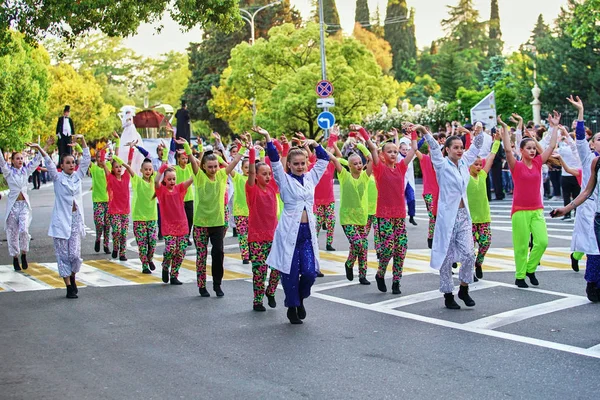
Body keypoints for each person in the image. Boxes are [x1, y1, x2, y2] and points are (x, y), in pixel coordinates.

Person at [258, 126, 329, 324]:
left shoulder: (310, 178)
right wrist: (267, 138)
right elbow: (273, 159)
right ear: (288, 164)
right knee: (289, 272)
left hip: (307, 233)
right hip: (289, 232)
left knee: (309, 272)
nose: (300, 166)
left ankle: (301, 297)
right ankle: (293, 305)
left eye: (302, 163)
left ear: (307, 163)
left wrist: (314, 144)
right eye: (295, 164)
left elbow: (323, 160)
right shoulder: (284, 180)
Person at [421, 126, 484, 309]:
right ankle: (448, 294)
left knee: (469, 254)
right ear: (447, 149)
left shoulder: (465, 162)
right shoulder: (441, 164)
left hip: (464, 216)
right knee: (446, 258)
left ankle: (464, 288)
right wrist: (424, 132)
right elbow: (433, 147)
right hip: (447, 217)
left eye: (461, 147)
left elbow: (477, 146)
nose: (459, 150)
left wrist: (477, 131)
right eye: (455, 147)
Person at [354, 124, 417, 295]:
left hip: (399, 216)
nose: (393, 154)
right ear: (382, 155)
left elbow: (414, 149)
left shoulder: (401, 168)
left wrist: (414, 132)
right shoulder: (379, 169)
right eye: (389, 151)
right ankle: (380, 274)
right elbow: (372, 148)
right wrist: (362, 131)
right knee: (388, 249)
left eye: (395, 152)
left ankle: (396, 281)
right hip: (384, 216)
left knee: (401, 249)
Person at [499, 113, 559, 288]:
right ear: (522, 150)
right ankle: (520, 276)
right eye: (529, 148)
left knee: (542, 241)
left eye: (534, 148)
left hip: (537, 209)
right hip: (519, 211)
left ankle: (530, 269)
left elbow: (551, 146)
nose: (533, 150)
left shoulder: (539, 162)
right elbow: (508, 150)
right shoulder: (516, 166)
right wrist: (504, 129)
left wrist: (554, 126)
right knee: (521, 245)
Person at [188, 137, 245, 297]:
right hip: (200, 223)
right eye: (210, 167)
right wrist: (187, 147)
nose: (213, 169)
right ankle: (202, 285)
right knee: (201, 255)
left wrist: (242, 149)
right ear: (204, 167)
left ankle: (217, 284)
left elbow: (233, 164)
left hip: (218, 222)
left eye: (215, 166)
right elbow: (193, 162)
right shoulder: (199, 177)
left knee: (218, 253)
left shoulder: (221, 175)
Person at [39, 135, 90, 299]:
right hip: (61, 222)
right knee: (62, 255)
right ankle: (68, 286)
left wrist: (82, 141)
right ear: (61, 165)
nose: (71, 165)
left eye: (72, 162)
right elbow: (47, 161)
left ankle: (73, 277)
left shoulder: (77, 177)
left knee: (74, 255)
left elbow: (86, 160)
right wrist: (42, 147)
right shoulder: (57, 178)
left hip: (75, 220)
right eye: (67, 163)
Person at [332, 138, 373, 284]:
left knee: (364, 247)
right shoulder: (344, 176)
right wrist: (317, 146)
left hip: (362, 217)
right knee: (358, 244)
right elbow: (334, 160)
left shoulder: (365, 176)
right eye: (355, 164)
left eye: (360, 163)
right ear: (349, 166)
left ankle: (362, 275)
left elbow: (372, 158)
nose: (358, 165)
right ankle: (349, 264)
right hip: (347, 217)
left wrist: (361, 146)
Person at [245, 146, 281, 311]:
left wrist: (280, 147)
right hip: (257, 237)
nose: (268, 176)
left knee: (278, 267)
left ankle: (271, 290)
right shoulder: (252, 189)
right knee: (259, 271)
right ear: (256, 176)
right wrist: (252, 153)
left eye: (269, 174)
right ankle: (257, 300)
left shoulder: (273, 187)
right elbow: (251, 172)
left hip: (273, 235)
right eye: (264, 174)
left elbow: (279, 165)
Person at [0, 144, 42, 271]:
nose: (20, 161)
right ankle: (15, 257)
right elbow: (1, 160)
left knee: (24, 230)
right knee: (12, 234)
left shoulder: (26, 170)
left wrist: (43, 147)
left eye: (21, 158)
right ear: (12, 161)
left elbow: (36, 161)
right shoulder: (8, 172)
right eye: (17, 159)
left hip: (24, 205)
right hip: (13, 206)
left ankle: (24, 253)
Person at [468, 133, 502, 281]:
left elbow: (491, 157)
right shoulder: (464, 175)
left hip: (483, 217)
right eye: (475, 164)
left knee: (486, 242)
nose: (478, 166)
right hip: (469, 219)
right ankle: (469, 271)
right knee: (469, 249)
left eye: (480, 164)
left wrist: (497, 141)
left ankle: (479, 263)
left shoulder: (483, 175)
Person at [154, 160, 194, 285]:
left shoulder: (180, 188)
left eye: (173, 179)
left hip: (182, 225)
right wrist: (164, 167)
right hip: (168, 225)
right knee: (171, 249)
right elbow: (156, 181)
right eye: (169, 179)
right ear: (164, 180)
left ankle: (174, 274)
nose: (172, 181)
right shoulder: (161, 191)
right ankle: (166, 265)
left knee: (181, 251)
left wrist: (199, 165)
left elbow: (192, 178)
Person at [119, 154, 158, 274]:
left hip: (152, 218)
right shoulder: (137, 181)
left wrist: (166, 153)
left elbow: (163, 166)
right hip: (139, 219)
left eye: (150, 169)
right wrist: (120, 161)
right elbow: (130, 170)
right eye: (145, 169)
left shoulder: (154, 181)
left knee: (152, 242)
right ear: (141, 170)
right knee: (142, 244)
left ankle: (150, 258)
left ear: (152, 171)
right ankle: (144, 265)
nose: (147, 171)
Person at [103, 150, 132, 261]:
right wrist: (104, 156)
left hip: (125, 210)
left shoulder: (126, 177)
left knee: (124, 233)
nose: (119, 169)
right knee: (117, 231)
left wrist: (130, 150)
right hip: (114, 210)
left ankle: (122, 253)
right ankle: (116, 247)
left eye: (120, 167)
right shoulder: (110, 178)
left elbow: (129, 164)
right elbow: (104, 165)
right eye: (116, 167)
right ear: (113, 169)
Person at [416, 136, 439, 249]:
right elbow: (414, 149)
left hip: (441, 194)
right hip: (429, 193)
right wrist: (417, 135)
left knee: (441, 218)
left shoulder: (442, 161)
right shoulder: (424, 159)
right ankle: (431, 237)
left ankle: (438, 239)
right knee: (433, 217)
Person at [230, 151, 251, 264]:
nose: (248, 169)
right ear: (242, 168)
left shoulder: (255, 179)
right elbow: (228, 166)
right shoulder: (237, 177)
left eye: (249, 167)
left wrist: (261, 153)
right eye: (245, 167)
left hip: (253, 213)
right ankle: (245, 256)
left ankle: (252, 253)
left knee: (252, 236)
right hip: (240, 212)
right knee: (242, 236)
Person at [89, 149, 111, 254]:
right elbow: (85, 159)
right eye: (98, 157)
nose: (100, 159)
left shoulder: (109, 167)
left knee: (107, 224)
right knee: (99, 222)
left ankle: (106, 244)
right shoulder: (93, 168)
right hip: (98, 201)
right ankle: (98, 238)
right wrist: (79, 146)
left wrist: (117, 141)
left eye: (102, 157)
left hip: (109, 201)